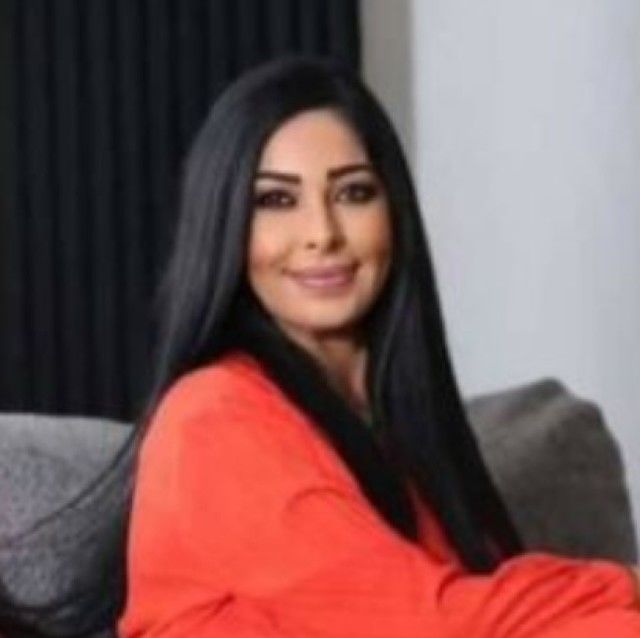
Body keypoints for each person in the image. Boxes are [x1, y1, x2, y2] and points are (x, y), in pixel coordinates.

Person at [115, 56, 640, 637]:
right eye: (277, 201)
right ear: (226, 225)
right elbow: (428, 624)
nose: (322, 233)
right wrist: (626, 586)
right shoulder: (211, 418)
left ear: (393, 211)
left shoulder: (402, 426)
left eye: (353, 192)